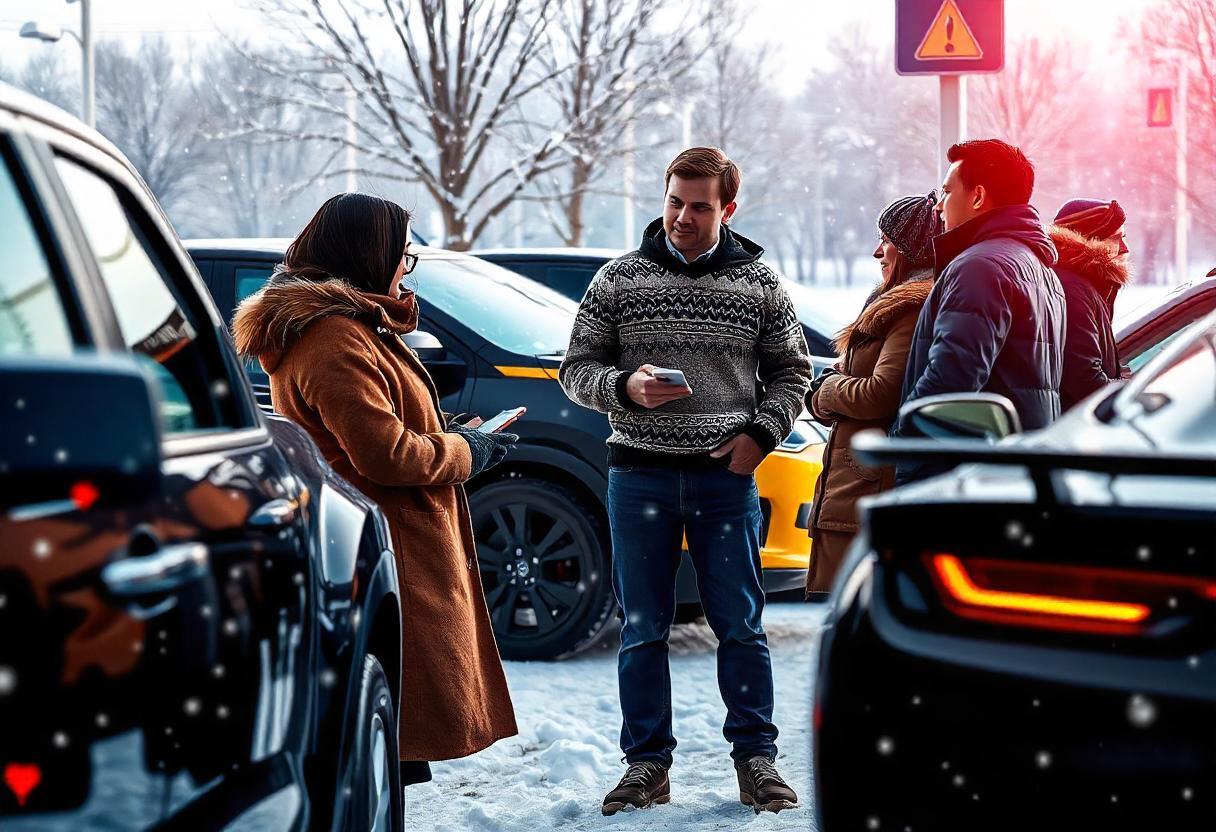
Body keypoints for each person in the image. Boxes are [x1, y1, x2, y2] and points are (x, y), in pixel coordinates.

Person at [231, 193, 518, 788]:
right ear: (368, 255)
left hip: (388, 541)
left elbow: (384, 434)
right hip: (385, 545)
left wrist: (449, 437)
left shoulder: (352, 326)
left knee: (387, 738)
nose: (403, 269)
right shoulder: (333, 337)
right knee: (382, 738)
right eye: (401, 256)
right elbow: (384, 455)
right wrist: (467, 452)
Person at [559, 147, 812, 815]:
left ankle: (757, 761)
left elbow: (794, 373)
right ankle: (647, 766)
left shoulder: (758, 284)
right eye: (675, 201)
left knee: (740, 625)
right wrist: (624, 386)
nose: (682, 216)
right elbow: (575, 369)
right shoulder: (620, 279)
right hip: (638, 476)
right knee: (643, 626)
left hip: (723, 481)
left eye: (700, 206)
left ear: (728, 209)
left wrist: (760, 437)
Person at [894, 139, 1065, 483]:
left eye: (946, 192)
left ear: (977, 197)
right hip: (1012, 470)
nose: (938, 207)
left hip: (961, 475)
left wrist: (902, 439)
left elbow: (951, 379)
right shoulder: (1040, 269)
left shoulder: (980, 267)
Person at [805, 193, 941, 597]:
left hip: (866, 484)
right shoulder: (890, 302)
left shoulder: (910, 308)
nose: (877, 250)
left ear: (911, 247)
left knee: (853, 612)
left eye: (887, 239)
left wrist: (826, 391)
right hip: (854, 483)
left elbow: (880, 393)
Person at [1050, 198, 1131, 410]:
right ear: (1091, 240)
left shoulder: (1086, 285)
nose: (1125, 249)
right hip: (1074, 427)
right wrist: (1132, 391)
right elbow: (1084, 379)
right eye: (1116, 238)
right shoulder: (1073, 290)